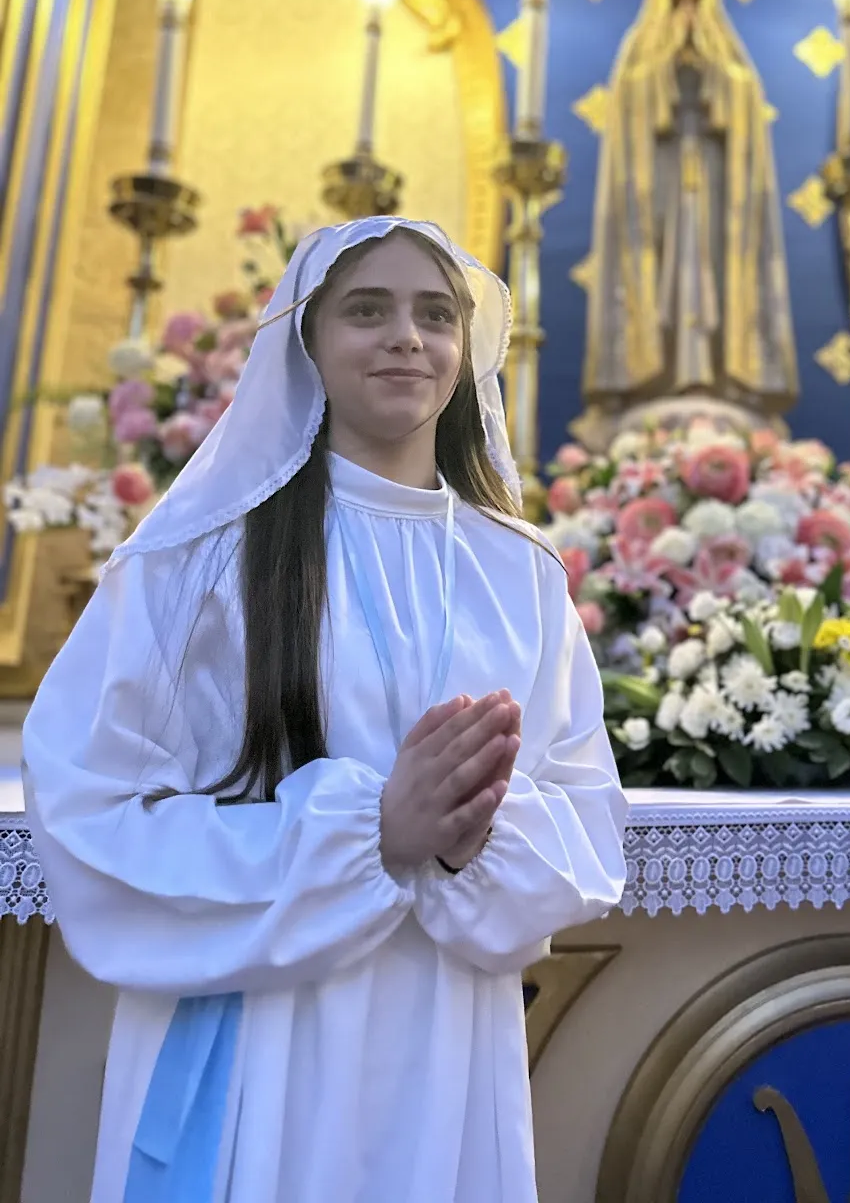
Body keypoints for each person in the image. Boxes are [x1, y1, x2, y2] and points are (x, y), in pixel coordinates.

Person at [22, 218, 629, 1203]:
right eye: (367, 310)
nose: (407, 337)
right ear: (302, 342)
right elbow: (90, 800)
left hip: (445, 1029)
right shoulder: (201, 560)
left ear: (466, 349)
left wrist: (474, 841)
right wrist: (362, 834)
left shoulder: (520, 574)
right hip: (262, 1025)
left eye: (436, 314)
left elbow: (587, 816)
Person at [582, 0, 798, 419]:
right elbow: (631, 98)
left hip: (717, 184)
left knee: (713, 270)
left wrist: (711, 68)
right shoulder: (642, 44)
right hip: (656, 184)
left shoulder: (726, 46)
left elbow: (743, 98)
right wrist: (663, 64)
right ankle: (659, 373)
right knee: (664, 269)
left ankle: (718, 371)